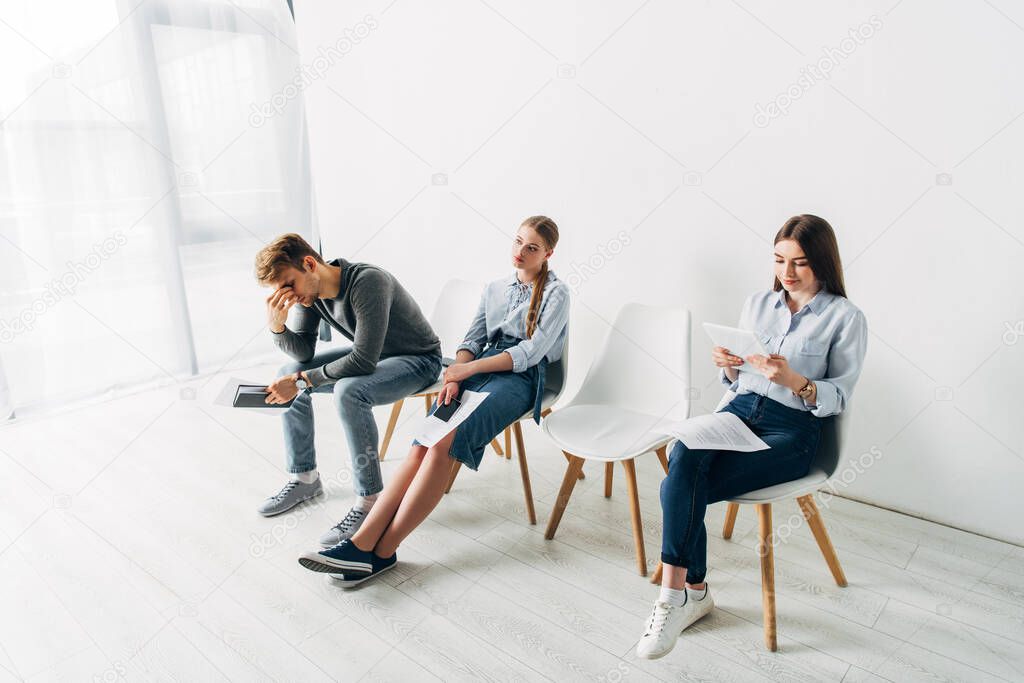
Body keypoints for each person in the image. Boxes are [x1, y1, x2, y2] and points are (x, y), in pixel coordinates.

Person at [637, 214, 868, 659]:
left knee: (679, 486)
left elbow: (839, 396)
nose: (787, 273)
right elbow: (737, 381)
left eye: (800, 263)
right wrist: (728, 363)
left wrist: (795, 380)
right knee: (683, 454)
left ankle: (685, 595)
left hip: (794, 431)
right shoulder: (759, 303)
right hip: (739, 413)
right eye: (780, 260)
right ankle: (681, 592)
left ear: (821, 262)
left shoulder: (845, 318)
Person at [297, 215, 570, 585]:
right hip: (478, 370)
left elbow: (531, 353)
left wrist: (467, 372)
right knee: (421, 443)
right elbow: (471, 340)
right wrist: (456, 374)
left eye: (532, 247)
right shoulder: (494, 288)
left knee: (445, 444)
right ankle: (360, 545)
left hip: (523, 379)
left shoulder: (557, 292)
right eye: (517, 241)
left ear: (548, 253)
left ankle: (382, 551)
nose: (520, 252)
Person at [254, 234, 443, 549]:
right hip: (378, 358)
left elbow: (363, 360)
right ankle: (305, 479)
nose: (287, 295)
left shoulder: (368, 282)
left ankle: (369, 502)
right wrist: (277, 327)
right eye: (279, 291)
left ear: (310, 264)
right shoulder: (310, 296)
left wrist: (304, 382)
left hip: (419, 360)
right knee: (286, 372)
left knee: (348, 391)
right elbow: (301, 355)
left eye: (289, 284)